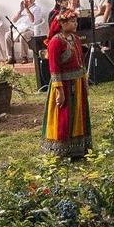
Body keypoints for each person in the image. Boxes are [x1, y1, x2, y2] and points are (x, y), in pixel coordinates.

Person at [43, 9, 91, 159]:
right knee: (63, 116)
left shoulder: (75, 39)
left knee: (78, 114)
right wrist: (60, 91)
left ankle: (78, 148)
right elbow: (54, 69)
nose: (75, 24)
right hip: (64, 84)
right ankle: (61, 149)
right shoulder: (55, 42)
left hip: (77, 83)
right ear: (62, 23)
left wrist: (84, 81)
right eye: (72, 21)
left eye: (76, 21)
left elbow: (81, 63)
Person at [9, 0, 42, 64]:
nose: (29, 0)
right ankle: (11, 57)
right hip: (20, 29)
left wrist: (27, 9)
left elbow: (33, 21)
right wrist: (21, 10)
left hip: (31, 29)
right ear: (24, 0)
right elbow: (14, 20)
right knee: (7, 35)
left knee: (22, 36)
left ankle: (24, 57)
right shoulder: (22, 9)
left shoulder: (37, 8)